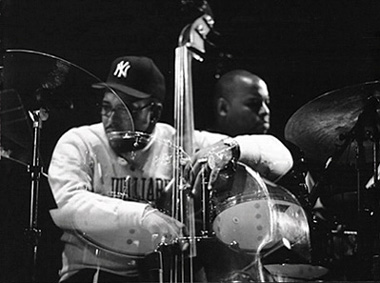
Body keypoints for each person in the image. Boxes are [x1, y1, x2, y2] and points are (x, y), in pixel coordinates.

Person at [48, 57, 293, 282]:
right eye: (106, 106)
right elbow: (67, 203)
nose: (111, 118)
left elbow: (281, 156)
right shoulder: (79, 142)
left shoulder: (179, 141)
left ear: (153, 112)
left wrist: (232, 147)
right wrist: (143, 215)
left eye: (126, 108)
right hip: (92, 273)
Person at [213, 70, 270, 136]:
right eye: (254, 104)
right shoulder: (203, 144)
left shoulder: (272, 144)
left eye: (267, 103)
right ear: (223, 108)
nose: (266, 111)